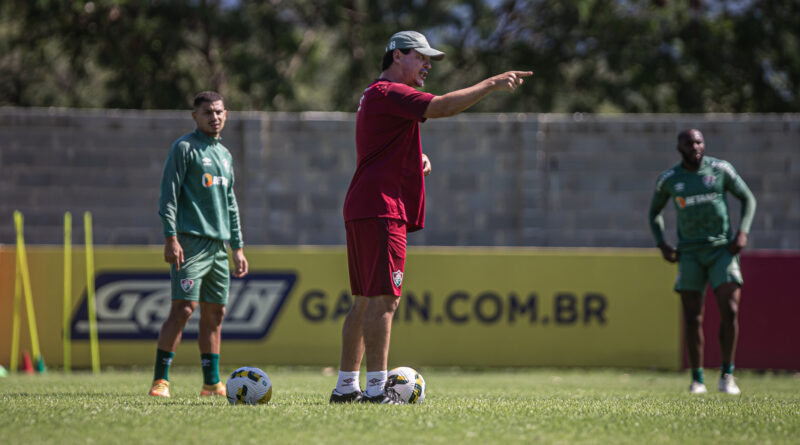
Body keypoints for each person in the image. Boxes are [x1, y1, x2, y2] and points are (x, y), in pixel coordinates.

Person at [330, 30, 532, 404]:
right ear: (397, 56)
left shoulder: (379, 96)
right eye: (421, 57)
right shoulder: (388, 91)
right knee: (384, 301)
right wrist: (492, 82)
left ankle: (345, 387)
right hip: (381, 209)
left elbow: (381, 147)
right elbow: (442, 107)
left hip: (365, 204)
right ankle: (375, 390)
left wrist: (412, 161)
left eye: (429, 60)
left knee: (364, 301)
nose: (427, 65)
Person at [149, 91, 249, 398]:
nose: (214, 117)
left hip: (219, 247)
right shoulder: (184, 148)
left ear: (226, 114)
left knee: (215, 314)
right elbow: (169, 195)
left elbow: (230, 203)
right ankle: (161, 380)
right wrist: (171, 237)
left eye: (219, 112)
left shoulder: (225, 155)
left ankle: (211, 383)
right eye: (207, 112)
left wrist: (237, 246)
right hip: (190, 243)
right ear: (195, 116)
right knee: (183, 309)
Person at [648, 129, 756, 395]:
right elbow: (654, 213)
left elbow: (748, 199)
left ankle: (727, 375)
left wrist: (742, 232)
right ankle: (697, 380)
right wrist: (662, 242)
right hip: (690, 254)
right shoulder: (670, 179)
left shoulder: (721, 170)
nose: (695, 146)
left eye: (699, 142)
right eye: (689, 143)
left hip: (722, 250)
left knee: (730, 309)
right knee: (692, 317)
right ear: (679, 148)